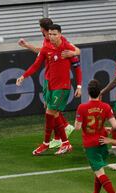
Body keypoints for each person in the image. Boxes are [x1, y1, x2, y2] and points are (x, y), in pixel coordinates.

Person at [16, 24, 82, 155]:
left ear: (60, 34)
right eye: (50, 34)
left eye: (54, 34)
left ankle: (46, 144)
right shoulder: (46, 48)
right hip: (51, 85)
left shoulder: (67, 48)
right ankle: (65, 143)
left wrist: (79, 86)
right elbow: (36, 65)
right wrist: (23, 76)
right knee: (52, 113)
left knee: (50, 112)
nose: (51, 37)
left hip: (62, 87)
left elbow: (77, 67)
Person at [74, 79, 116, 193]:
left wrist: (80, 122)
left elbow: (77, 128)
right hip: (103, 143)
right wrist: (106, 129)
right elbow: (115, 126)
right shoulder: (106, 107)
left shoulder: (82, 107)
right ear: (99, 93)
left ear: (88, 92)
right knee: (99, 170)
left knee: (100, 173)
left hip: (91, 145)